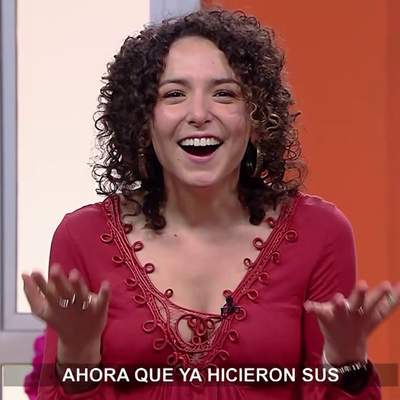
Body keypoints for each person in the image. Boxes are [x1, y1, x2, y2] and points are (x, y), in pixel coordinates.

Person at [22, 9, 399, 400]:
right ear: (142, 121)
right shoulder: (83, 237)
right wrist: (78, 356)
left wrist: (346, 364)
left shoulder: (320, 233)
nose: (199, 114)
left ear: (257, 119)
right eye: (174, 94)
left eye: (224, 93)